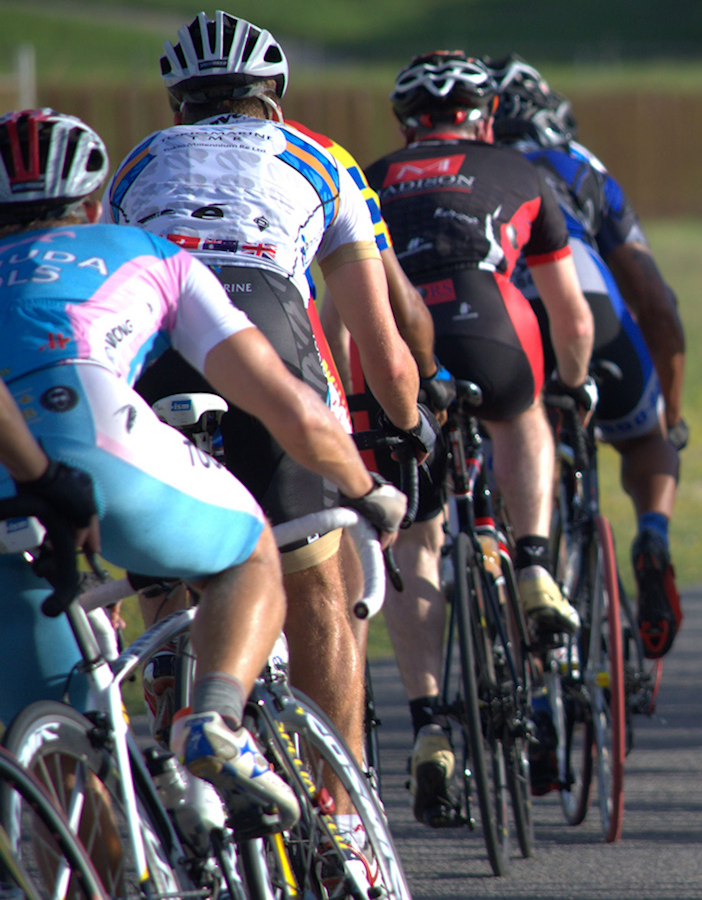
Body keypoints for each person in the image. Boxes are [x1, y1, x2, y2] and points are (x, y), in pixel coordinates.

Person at [0, 108, 404, 827]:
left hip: (13, 500)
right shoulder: (147, 251)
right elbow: (291, 408)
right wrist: (365, 486)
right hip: (100, 444)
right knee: (249, 549)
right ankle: (213, 717)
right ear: (95, 205)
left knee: (72, 791)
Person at [107, 13, 427, 822]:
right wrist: (410, 424)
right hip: (261, 329)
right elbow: (386, 354)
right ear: (274, 99)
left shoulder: (138, 162)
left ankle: (184, 743)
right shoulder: (324, 159)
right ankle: (343, 815)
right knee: (315, 573)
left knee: (172, 576)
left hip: (151, 348)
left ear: (178, 105)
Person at [364, 51, 595, 824]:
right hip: (492, 326)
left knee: (417, 536)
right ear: (486, 116)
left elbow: (342, 304)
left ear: (406, 125)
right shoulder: (519, 169)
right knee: (521, 415)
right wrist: (573, 382)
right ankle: (531, 562)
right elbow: (571, 312)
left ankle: (430, 722)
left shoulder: (368, 176)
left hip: (399, 350)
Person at [486, 55, 686, 660]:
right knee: (646, 440)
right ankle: (652, 532)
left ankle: (518, 565)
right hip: (588, 305)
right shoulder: (582, 167)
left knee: (514, 443)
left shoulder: (469, 166)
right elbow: (653, 299)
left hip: (498, 319)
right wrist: (668, 422)